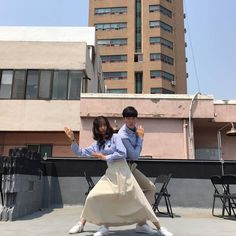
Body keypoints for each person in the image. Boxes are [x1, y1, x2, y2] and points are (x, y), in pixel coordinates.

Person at [64, 116, 173, 236]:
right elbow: (80, 153)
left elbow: (122, 153)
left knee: (141, 200)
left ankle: (159, 228)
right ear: (96, 128)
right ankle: (82, 224)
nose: (103, 127)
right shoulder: (96, 145)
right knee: (92, 196)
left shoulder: (116, 137)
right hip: (110, 174)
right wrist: (72, 139)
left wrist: (105, 157)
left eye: (104, 125)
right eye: (100, 126)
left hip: (124, 171)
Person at [118, 106, 161, 234]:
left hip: (131, 167)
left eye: (133, 118)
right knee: (113, 196)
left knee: (151, 188)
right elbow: (134, 155)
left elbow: (135, 155)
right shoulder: (122, 135)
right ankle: (101, 224)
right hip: (122, 168)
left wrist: (139, 136)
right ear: (124, 119)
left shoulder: (137, 129)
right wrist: (141, 138)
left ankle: (141, 223)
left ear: (136, 118)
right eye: (128, 118)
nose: (131, 121)